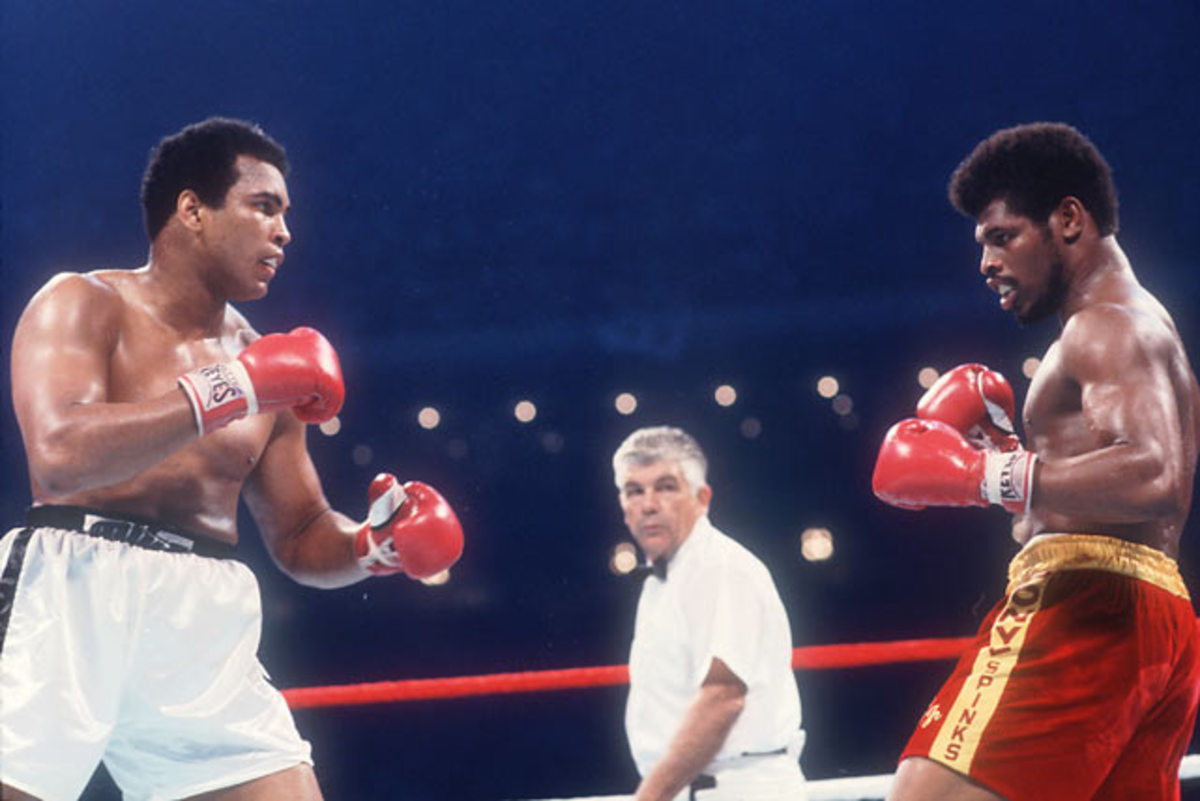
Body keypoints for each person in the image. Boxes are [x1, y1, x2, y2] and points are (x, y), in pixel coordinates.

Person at [0, 117, 464, 801]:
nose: (284, 232)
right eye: (264, 206)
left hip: (200, 616)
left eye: (286, 214)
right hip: (70, 591)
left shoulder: (267, 365)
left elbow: (302, 533)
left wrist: (374, 544)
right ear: (192, 210)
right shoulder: (83, 302)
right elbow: (62, 454)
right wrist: (233, 388)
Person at [872, 122, 1200, 800]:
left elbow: (1152, 473)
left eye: (1002, 236)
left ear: (1069, 219)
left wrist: (986, 475)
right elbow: (1122, 473)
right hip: (1154, 615)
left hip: (1087, 606)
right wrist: (1018, 461)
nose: (986, 263)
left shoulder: (1105, 323)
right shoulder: (1137, 322)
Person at [613, 426, 806, 801]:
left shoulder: (719, 568)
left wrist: (647, 798)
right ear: (622, 505)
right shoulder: (666, 580)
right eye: (634, 491)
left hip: (737, 790)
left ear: (702, 498)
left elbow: (722, 698)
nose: (648, 504)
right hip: (700, 789)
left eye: (665, 487)